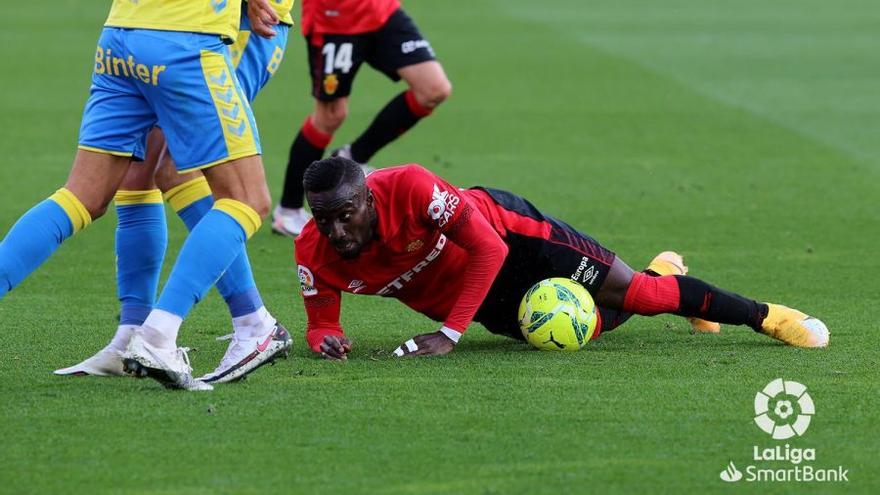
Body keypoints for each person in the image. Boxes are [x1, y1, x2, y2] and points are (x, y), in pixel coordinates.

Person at [0, 0, 286, 390]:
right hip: (191, 36)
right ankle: (166, 334)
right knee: (246, 197)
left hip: (122, 36)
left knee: (87, 194)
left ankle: (138, 332)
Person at [293, 157, 829, 359]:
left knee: (641, 295)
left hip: (510, 235)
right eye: (324, 220)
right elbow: (321, 322)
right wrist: (327, 339)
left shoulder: (412, 187)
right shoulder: (313, 253)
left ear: (367, 197)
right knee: (574, 331)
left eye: (347, 214)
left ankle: (769, 318)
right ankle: (665, 272)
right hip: (476, 296)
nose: (337, 231)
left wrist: (450, 335)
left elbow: (488, 248)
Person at [272, 0, 452, 236]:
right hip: (334, 20)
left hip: (382, 12)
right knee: (331, 115)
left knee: (433, 89)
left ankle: (353, 156)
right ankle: (289, 209)